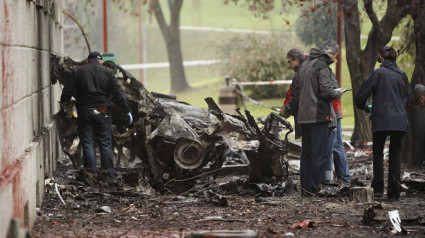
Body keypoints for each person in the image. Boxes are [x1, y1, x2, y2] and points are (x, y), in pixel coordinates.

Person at [285, 40, 346, 195]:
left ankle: (305, 188)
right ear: (327, 54)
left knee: (306, 154)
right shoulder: (322, 67)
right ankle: (315, 188)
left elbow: (295, 96)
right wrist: (338, 92)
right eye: (334, 56)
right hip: (319, 116)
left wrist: (287, 110)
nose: (334, 59)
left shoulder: (303, 67)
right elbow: (326, 92)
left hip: (304, 118)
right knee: (319, 154)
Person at [60, 51, 133, 178]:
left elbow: (67, 92)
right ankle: (108, 173)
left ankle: (90, 174)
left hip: (84, 111)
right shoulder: (109, 72)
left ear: (88, 60)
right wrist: (127, 111)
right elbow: (119, 94)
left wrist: (66, 104)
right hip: (103, 111)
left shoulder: (78, 72)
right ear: (100, 61)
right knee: (105, 142)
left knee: (87, 142)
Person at [355, 46, 411, 201]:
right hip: (399, 121)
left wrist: (366, 107)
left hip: (381, 119)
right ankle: (394, 193)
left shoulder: (377, 74)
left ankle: (378, 190)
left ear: (381, 58)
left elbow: (360, 97)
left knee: (378, 154)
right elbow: (410, 101)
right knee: (395, 155)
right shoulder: (402, 75)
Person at [280, 48, 306, 139]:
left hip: (304, 114)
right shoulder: (304, 70)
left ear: (296, 60)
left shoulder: (301, 73)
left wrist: (287, 109)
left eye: (289, 61)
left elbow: (297, 96)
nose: (289, 65)